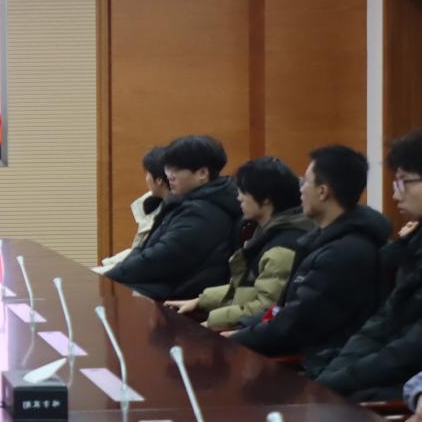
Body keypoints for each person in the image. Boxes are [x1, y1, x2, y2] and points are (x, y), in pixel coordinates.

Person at [230, 145, 390, 364]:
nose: (300, 189)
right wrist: (243, 328)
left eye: (305, 181)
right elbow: (285, 311)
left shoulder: (344, 254)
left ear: (323, 192)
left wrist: (236, 340)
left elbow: (298, 323)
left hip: (320, 365)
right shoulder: (321, 239)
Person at [309, 131, 422, 400]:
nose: (395, 195)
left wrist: (337, 382)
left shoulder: (349, 249)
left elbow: (410, 349)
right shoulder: (411, 246)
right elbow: (382, 323)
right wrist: (331, 378)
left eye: (404, 182)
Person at [164, 157, 312, 331]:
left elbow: (266, 310)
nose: (239, 197)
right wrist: (200, 301)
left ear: (266, 199)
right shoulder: (264, 231)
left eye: (244, 191)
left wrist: (211, 322)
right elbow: (246, 288)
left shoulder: (283, 248)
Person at [104, 135, 240, 300]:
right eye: (168, 168)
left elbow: (161, 258)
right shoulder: (189, 202)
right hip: (165, 288)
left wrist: (108, 278)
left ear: (202, 173)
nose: (169, 176)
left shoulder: (203, 213)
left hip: (177, 297)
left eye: (176, 169)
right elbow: (146, 250)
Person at [96, 146, 168, 273]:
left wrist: (107, 271)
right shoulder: (154, 205)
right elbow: (139, 251)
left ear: (159, 180)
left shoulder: (177, 213)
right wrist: (107, 264)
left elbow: (148, 259)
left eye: (147, 173)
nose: (146, 179)